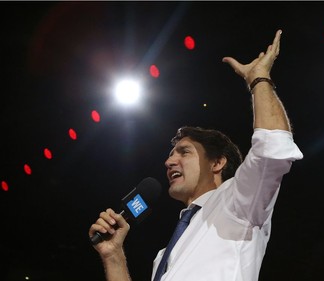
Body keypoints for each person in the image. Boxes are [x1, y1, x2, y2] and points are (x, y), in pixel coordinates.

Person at [89, 29, 303, 281]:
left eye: (184, 152)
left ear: (218, 162)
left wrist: (259, 79)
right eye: (170, 155)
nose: (169, 162)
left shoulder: (239, 200)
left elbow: (273, 148)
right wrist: (113, 254)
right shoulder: (164, 256)